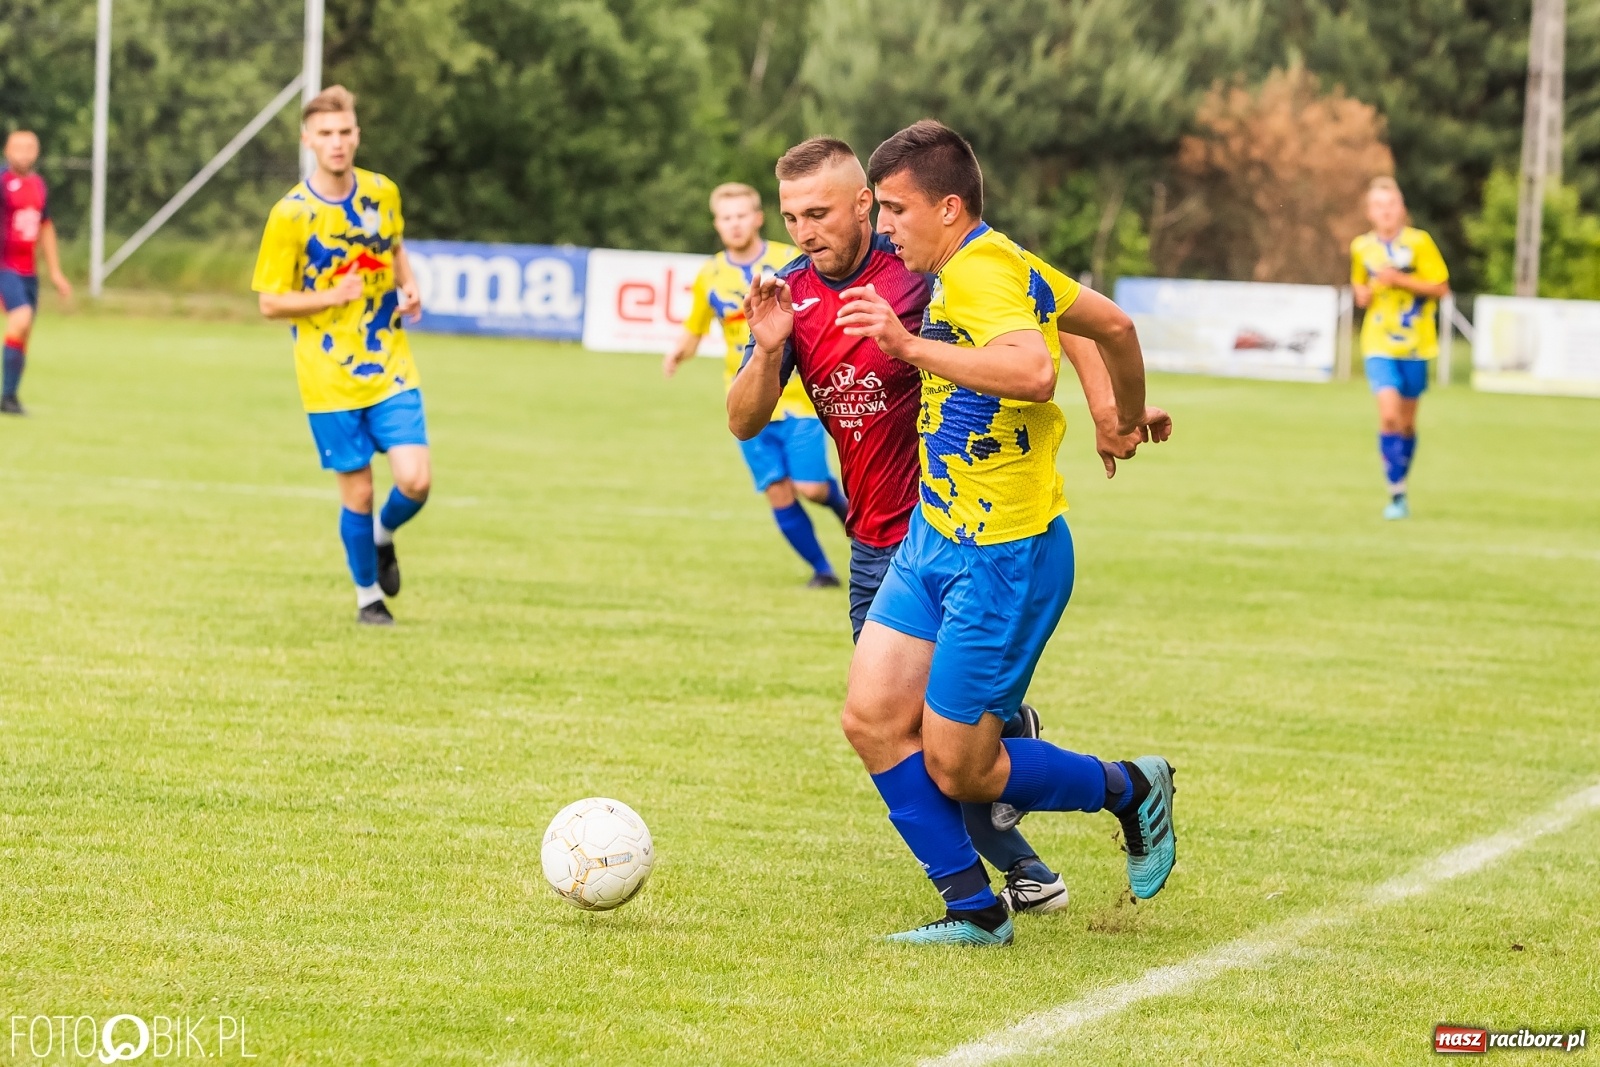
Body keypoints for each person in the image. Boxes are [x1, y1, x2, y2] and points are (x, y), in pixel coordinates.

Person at [730, 137, 1165, 915]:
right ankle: (1015, 869)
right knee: (888, 728)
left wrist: (1109, 410)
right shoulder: (791, 295)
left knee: (949, 749)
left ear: (866, 203)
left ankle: (1002, 878)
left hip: (976, 534)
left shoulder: (930, 263)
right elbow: (741, 418)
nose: (804, 231)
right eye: (792, 216)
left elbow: (1053, 324)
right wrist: (768, 352)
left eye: (821, 213)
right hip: (886, 543)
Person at [251, 86, 428, 625]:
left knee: (415, 480)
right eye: (325, 133)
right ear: (308, 140)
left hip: (389, 361)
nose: (337, 142)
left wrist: (410, 285)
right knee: (359, 490)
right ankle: (367, 598)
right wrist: (331, 296)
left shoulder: (382, 192)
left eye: (345, 131)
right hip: (327, 373)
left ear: (357, 135)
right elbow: (270, 302)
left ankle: (384, 534)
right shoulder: (291, 215)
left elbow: (393, 246)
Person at [666, 183, 847, 588]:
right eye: (726, 218)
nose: (734, 224)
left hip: (797, 399)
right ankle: (823, 571)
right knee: (778, 492)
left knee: (812, 488)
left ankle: (845, 511)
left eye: (741, 215)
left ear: (757, 218)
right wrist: (678, 353)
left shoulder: (791, 260)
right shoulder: (710, 274)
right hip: (745, 404)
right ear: (717, 224)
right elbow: (694, 330)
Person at [1350, 176, 1451, 521]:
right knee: (1389, 415)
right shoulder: (1361, 247)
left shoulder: (1419, 242)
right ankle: (1395, 494)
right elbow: (1359, 286)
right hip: (1378, 342)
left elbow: (1440, 287)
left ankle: (1401, 482)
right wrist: (1360, 295)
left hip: (1416, 346)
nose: (1386, 211)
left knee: (1406, 424)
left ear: (1402, 209)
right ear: (1369, 212)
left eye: (1391, 204)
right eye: (1378, 206)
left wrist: (1401, 280)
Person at [0, 130, 73, 415]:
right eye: (18, 146)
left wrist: (55, 271)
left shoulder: (39, 186)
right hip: (5, 266)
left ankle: (9, 397)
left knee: (24, 330)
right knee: (20, 318)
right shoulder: (3, 183)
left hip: (29, 271)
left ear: (37, 152)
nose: (24, 152)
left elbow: (45, 227)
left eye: (30, 146)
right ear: (7, 150)